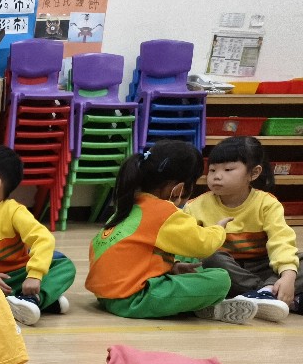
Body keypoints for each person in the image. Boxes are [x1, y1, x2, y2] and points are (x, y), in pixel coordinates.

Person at [86, 140, 258, 324]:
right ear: (179, 188)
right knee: (220, 280)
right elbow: (203, 245)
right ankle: (206, 303)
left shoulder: (129, 205)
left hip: (105, 295)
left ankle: (197, 303)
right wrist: (218, 229)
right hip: (133, 299)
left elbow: (133, 255)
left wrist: (172, 267)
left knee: (187, 258)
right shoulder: (164, 213)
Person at [0, 145, 75, 326]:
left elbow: (43, 238)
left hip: (20, 275)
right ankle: (40, 299)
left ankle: (30, 299)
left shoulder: (14, 211)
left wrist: (34, 275)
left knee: (64, 265)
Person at [184, 135, 302, 321]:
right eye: (212, 170)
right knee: (210, 257)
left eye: (228, 169)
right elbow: (187, 246)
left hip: (263, 266)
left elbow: (281, 242)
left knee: (295, 262)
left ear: (254, 173)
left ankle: (263, 294)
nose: (217, 176)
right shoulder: (195, 207)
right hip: (227, 270)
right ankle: (267, 293)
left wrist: (288, 276)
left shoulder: (267, 203)